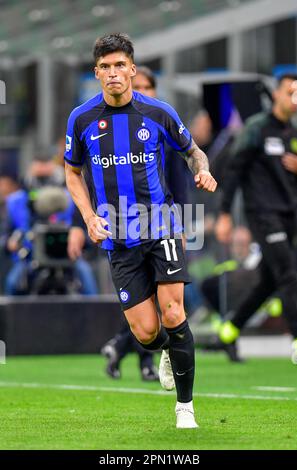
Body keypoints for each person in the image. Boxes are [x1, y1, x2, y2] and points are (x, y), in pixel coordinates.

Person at [64, 33, 217, 429]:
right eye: (105, 67)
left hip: (161, 226)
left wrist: (202, 168)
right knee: (147, 332)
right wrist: (88, 217)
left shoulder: (159, 112)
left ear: (132, 69)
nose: (113, 73)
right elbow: (71, 170)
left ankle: (185, 408)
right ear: (96, 72)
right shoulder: (81, 119)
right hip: (117, 236)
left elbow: (192, 149)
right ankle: (168, 348)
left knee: (173, 311)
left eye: (120, 65)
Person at [100, 65, 189, 382]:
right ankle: (136, 351)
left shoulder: (162, 125)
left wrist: (181, 224)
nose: (142, 91)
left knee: (165, 303)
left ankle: (132, 354)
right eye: (139, 86)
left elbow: (179, 181)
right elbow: (91, 177)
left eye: (147, 86)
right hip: (123, 230)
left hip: (162, 226)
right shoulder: (107, 132)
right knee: (143, 306)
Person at [215, 73, 297, 364]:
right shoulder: (256, 129)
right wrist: (224, 213)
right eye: (290, 91)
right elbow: (234, 172)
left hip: (291, 216)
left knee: (269, 281)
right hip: (263, 215)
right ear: (276, 94)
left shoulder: (295, 136)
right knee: (288, 274)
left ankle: (229, 329)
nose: (295, 99)